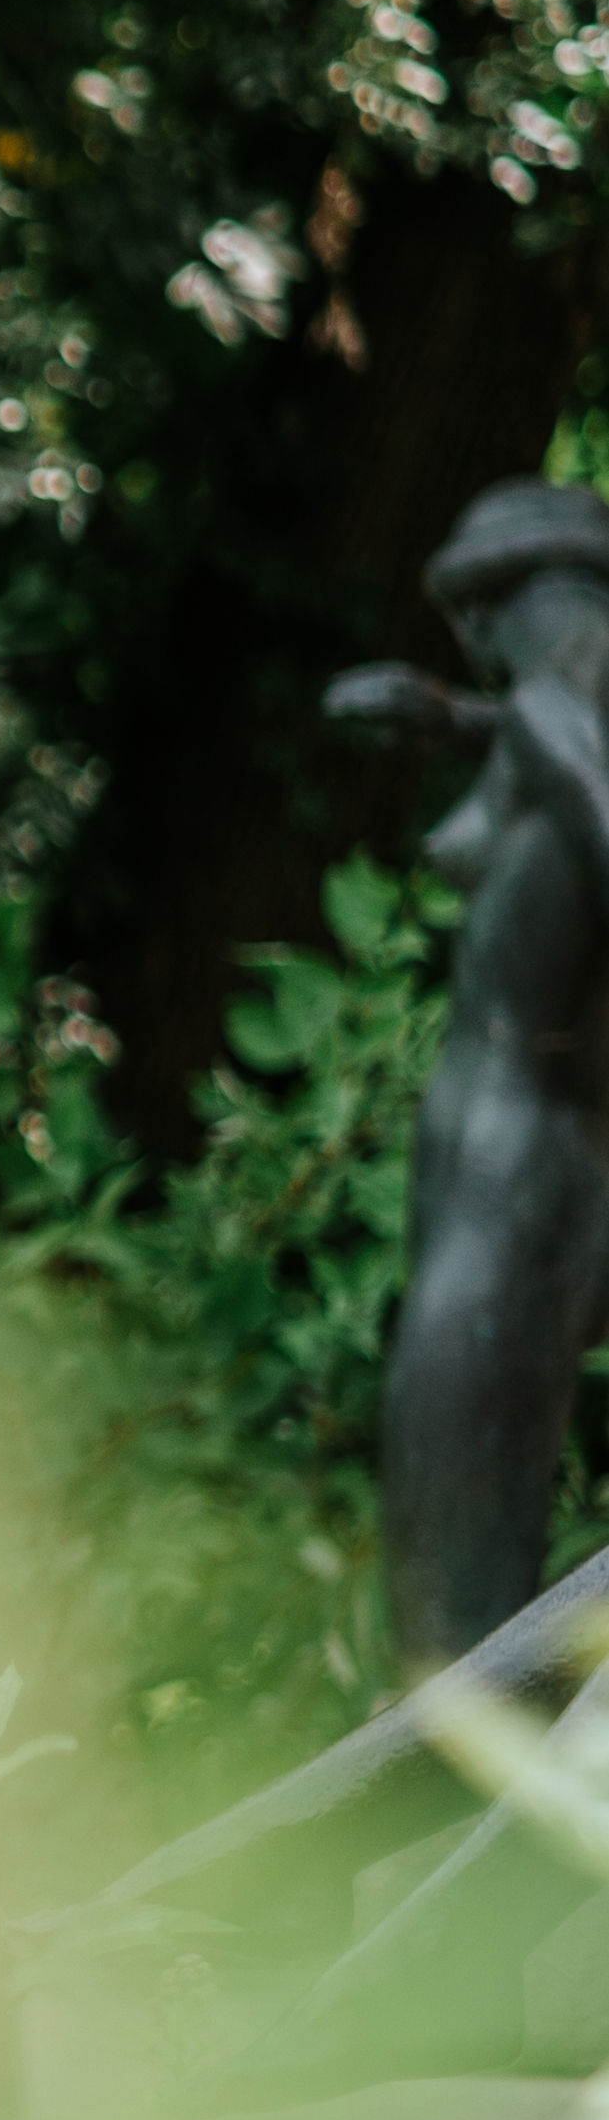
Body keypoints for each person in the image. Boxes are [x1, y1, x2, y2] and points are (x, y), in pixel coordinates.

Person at [328, 474, 609, 1669]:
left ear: (489, 608)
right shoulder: (548, 708)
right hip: (520, 1160)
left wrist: (497, 726)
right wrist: (454, 721)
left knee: (447, 1624)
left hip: (518, 1175)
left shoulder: (557, 718)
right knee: (457, 1603)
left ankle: (450, 1844)